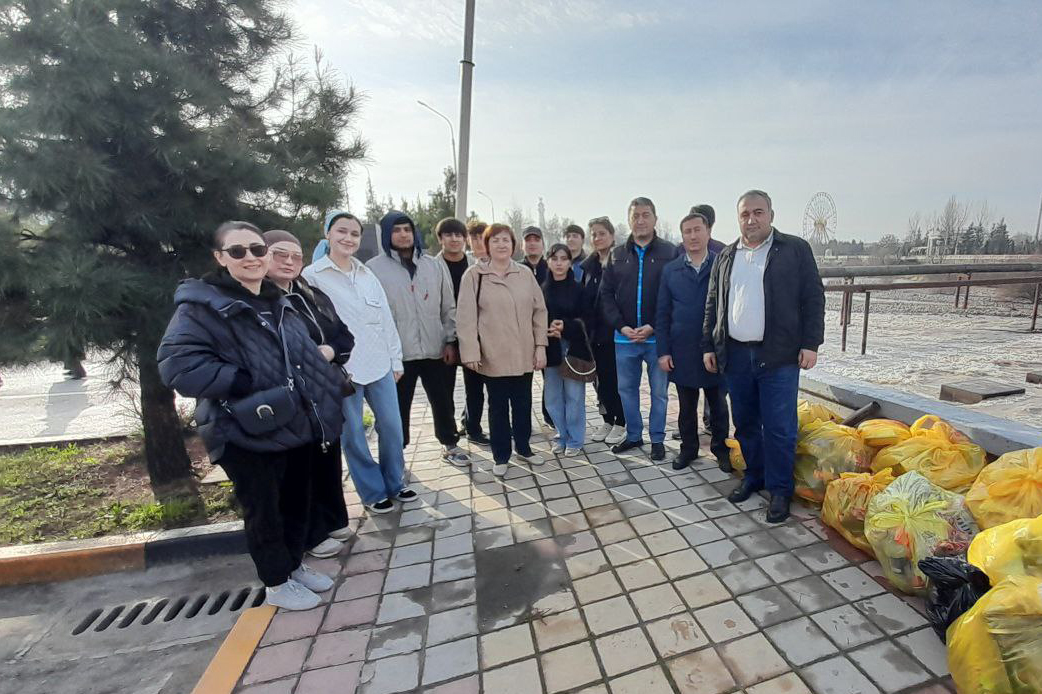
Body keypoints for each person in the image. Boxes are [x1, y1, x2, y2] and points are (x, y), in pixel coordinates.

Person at [158, 221, 344, 611]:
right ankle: (276, 582)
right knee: (264, 510)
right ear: (220, 258)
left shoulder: (278, 301)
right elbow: (178, 366)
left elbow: (303, 359)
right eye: (238, 251)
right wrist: (243, 381)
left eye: (257, 250)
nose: (251, 258)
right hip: (243, 428)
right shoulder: (202, 307)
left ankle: (292, 565)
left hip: (292, 422)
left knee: (295, 502)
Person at [703, 190, 825, 523]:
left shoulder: (794, 250)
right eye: (745, 214)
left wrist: (811, 343)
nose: (751, 219)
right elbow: (713, 303)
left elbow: (813, 298)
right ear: (738, 218)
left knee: (779, 427)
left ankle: (780, 490)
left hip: (779, 356)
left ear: (771, 215)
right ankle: (754, 475)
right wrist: (708, 345)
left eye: (758, 212)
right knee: (744, 423)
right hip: (736, 355)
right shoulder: (726, 256)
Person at [303, 211, 417, 515]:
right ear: (328, 234)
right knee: (353, 434)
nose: (348, 238)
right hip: (343, 370)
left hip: (379, 363)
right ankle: (372, 491)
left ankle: (395, 481)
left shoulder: (367, 275)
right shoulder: (312, 276)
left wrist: (396, 359)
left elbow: (385, 319)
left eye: (354, 234)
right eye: (341, 231)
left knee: (392, 426)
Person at [264, 229, 355, 559]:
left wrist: (330, 350)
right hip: (288, 396)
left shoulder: (310, 294)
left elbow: (344, 335)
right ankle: (311, 534)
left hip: (322, 391)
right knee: (299, 468)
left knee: (327, 456)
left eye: (296, 256)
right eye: (280, 254)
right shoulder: (259, 301)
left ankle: (333, 519)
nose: (289, 261)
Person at [366, 210, 469, 466]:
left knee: (442, 401)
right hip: (398, 354)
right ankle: (397, 456)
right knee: (398, 406)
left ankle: (450, 444)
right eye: (396, 230)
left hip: (435, 348)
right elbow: (372, 315)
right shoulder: (374, 269)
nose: (403, 235)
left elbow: (448, 306)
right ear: (387, 234)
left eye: (407, 229)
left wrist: (450, 340)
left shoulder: (434, 265)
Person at [457, 224, 547, 477]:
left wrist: (540, 346)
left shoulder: (524, 274)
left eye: (506, 240)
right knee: (497, 407)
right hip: (492, 354)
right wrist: (471, 352)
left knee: (523, 403)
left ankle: (524, 448)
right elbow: (465, 317)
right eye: (495, 240)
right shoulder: (475, 275)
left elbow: (539, 312)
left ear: (513, 244)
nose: (501, 245)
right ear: (487, 245)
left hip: (524, 352)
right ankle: (501, 455)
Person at [599, 197, 676, 461]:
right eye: (635, 216)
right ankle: (633, 435)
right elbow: (606, 295)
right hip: (625, 339)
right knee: (626, 390)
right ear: (629, 220)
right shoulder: (617, 255)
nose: (640, 220)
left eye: (645, 215)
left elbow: (675, 293)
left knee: (659, 393)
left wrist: (653, 326)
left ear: (655, 218)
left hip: (657, 338)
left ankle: (658, 439)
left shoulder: (669, 252)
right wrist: (622, 326)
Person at [656, 212, 730, 472]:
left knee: (718, 404)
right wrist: (663, 351)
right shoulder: (671, 270)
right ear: (682, 236)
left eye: (698, 230)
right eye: (687, 231)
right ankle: (688, 449)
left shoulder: (722, 265)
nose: (693, 236)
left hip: (715, 348)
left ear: (708, 232)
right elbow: (662, 313)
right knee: (686, 405)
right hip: (682, 348)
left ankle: (721, 449)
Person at [672, 203, 726, 443]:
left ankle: (715, 437)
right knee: (691, 395)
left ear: (709, 227)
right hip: (688, 335)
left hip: (713, 334)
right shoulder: (679, 253)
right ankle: (694, 436)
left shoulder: (722, 254)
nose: (693, 235)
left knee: (714, 393)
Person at [437, 218, 489, 445]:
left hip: (473, 336)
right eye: (449, 235)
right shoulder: (433, 267)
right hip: (443, 339)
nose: (454, 239)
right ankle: (449, 436)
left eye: (459, 235)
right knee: (444, 390)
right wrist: (448, 339)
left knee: (475, 387)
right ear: (440, 238)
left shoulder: (474, 266)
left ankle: (472, 428)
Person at [580, 217, 627, 445]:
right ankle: (607, 419)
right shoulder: (588, 266)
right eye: (594, 234)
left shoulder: (621, 262)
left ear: (612, 236)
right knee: (600, 381)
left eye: (602, 233)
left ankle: (621, 422)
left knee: (616, 379)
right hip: (593, 334)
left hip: (615, 333)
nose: (597, 238)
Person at [542, 244, 592, 455]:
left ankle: (575, 439)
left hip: (573, 348)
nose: (559, 263)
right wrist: (547, 329)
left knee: (574, 396)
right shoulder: (542, 289)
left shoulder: (579, 289)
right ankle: (561, 435)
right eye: (555, 259)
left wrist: (566, 327)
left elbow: (588, 320)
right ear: (548, 262)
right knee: (552, 396)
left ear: (571, 262)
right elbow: (535, 318)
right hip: (551, 348)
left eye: (564, 259)